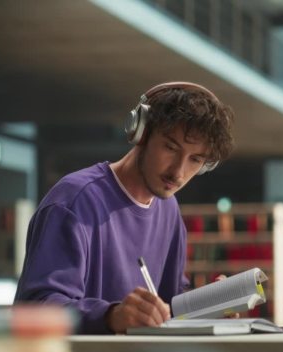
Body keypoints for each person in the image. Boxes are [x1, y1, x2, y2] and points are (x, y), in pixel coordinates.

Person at [14, 82, 235, 334]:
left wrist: (206, 309)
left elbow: (167, 304)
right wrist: (111, 316)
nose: (178, 171)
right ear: (141, 132)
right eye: (170, 148)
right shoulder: (75, 201)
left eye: (195, 159)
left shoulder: (168, 208)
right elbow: (35, 309)